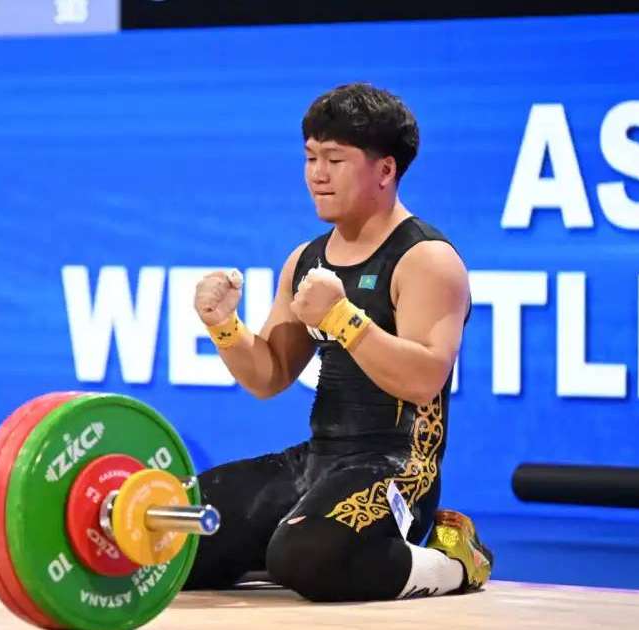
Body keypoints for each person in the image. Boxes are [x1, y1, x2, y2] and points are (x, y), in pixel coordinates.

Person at [185, 83, 492, 601]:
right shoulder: (306, 258)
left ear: (386, 170)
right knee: (182, 532)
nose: (317, 174)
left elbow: (423, 380)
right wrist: (224, 325)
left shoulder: (427, 260)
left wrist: (344, 318)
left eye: (334, 159)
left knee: (308, 557)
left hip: (400, 471)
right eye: (310, 157)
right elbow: (269, 375)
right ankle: (289, 546)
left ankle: (453, 561)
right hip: (319, 460)